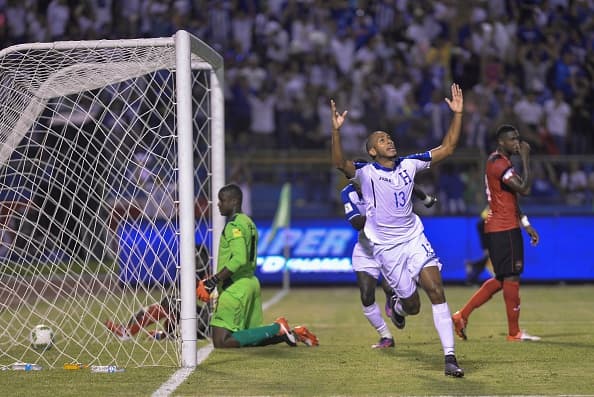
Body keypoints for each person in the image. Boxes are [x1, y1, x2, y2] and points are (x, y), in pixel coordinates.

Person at [331, 83, 465, 377]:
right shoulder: (365, 173)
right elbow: (339, 162)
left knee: (436, 289)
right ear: (371, 150)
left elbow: (449, 148)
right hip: (386, 250)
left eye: (389, 137)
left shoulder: (410, 165)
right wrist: (337, 131)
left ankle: (450, 357)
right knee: (413, 305)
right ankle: (399, 308)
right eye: (381, 139)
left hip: (413, 238)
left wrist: (457, 114)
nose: (388, 141)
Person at [196, 183, 318, 348]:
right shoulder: (248, 222)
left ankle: (277, 327)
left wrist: (213, 281)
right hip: (250, 283)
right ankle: (294, 333)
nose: (218, 204)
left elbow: (239, 259)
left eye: (221, 200)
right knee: (249, 337)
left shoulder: (233, 226)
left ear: (233, 202)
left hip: (236, 287)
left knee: (221, 341)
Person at [452, 125, 541, 342]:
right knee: (511, 277)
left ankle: (461, 316)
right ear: (501, 142)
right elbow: (524, 189)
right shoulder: (499, 163)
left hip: (503, 225)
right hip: (504, 228)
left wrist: (525, 223)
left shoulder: (500, 162)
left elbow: (511, 198)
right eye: (512, 139)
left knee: (502, 279)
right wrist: (527, 159)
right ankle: (514, 333)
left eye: (518, 139)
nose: (517, 143)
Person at [341, 176, 437, 349]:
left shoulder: (381, 183)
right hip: (366, 250)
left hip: (391, 247)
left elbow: (407, 183)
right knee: (366, 296)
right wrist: (381, 215)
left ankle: (394, 303)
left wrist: (425, 198)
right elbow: (356, 223)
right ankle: (385, 336)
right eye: (355, 181)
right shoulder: (348, 193)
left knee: (394, 289)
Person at [105, 245, 212, 340]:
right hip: (209, 322)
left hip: (213, 324)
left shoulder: (210, 279)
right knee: (175, 305)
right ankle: (164, 335)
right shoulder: (200, 278)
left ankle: (127, 331)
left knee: (173, 303)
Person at [464, 206, 494, 285]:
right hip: (485, 225)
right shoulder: (497, 200)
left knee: (488, 256)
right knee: (489, 255)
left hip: (485, 225)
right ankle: (472, 271)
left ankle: (472, 272)